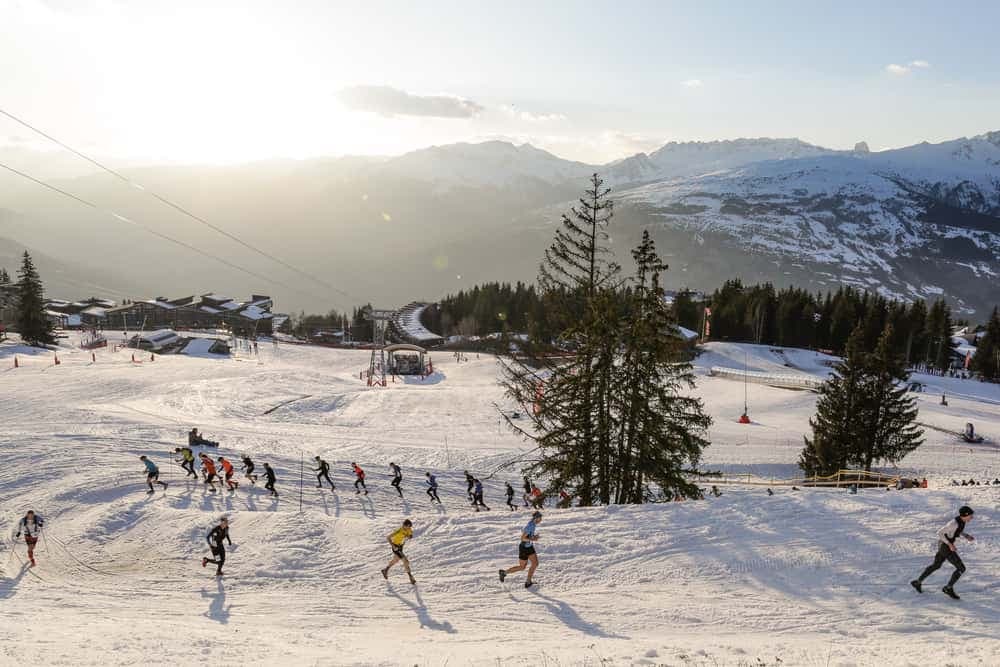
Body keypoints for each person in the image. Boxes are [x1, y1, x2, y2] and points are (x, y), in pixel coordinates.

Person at [911, 506, 975, 600]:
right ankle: (948, 588)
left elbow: (957, 531)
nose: (971, 517)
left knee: (936, 565)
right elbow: (940, 533)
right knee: (961, 568)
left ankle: (917, 582)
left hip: (943, 545)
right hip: (945, 546)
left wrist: (966, 535)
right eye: (970, 515)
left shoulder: (961, 521)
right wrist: (950, 544)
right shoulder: (953, 523)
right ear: (965, 515)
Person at [499, 511, 543, 588]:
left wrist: (533, 537)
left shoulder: (533, 524)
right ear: (536, 518)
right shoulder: (530, 526)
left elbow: (528, 536)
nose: (541, 520)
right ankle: (504, 573)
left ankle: (528, 582)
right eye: (540, 518)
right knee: (522, 567)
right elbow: (522, 538)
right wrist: (533, 539)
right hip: (524, 548)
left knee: (535, 564)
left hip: (529, 547)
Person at [380, 519, 417, 584]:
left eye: (409, 526)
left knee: (396, 560)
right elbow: (388, 537)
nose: (409, 528)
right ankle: (411, 577)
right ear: (404, 525)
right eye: (407, 526)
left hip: (401, 547)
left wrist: (409, 536)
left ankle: (385, 570)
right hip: (396, 547)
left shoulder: (409, 529)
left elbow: (410, 535)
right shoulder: (399, 530)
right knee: (406, 561)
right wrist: (393, 546)